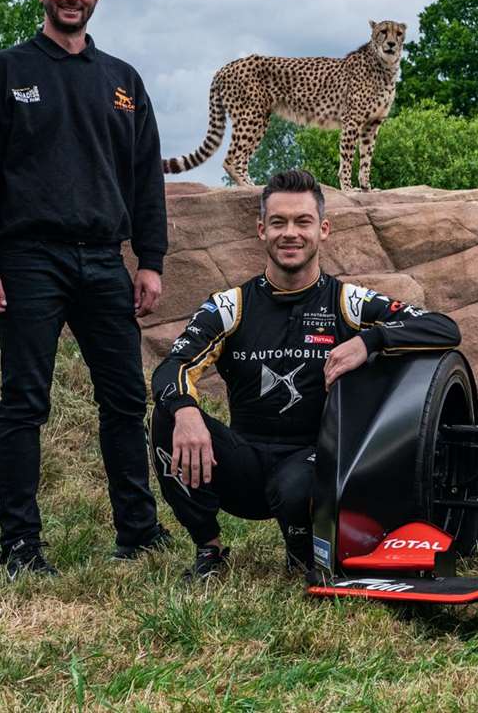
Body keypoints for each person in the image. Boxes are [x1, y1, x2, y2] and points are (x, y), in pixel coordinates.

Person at [0, 0, 171, 578]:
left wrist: (150, 260)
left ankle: (138, 530)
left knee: (127, 399)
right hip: (27, 261)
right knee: (25, 402)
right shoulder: (4, 72)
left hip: (104, 261)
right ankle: (21, 546)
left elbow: (144, 181)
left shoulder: (123, 82)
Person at [150, 168, 461, 581]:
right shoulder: (231, 304)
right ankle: (210, 550)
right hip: (245, 462)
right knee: (165, 416)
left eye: (302, 222)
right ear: (261, 230)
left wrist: (370, 341)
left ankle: (304, 551)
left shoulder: (348, 301)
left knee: (295, 487)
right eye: (278, 222)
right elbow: (172, 366)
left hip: (316, 460)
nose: (290, 233)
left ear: (323, 229)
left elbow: (444, 328)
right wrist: (185, 410)